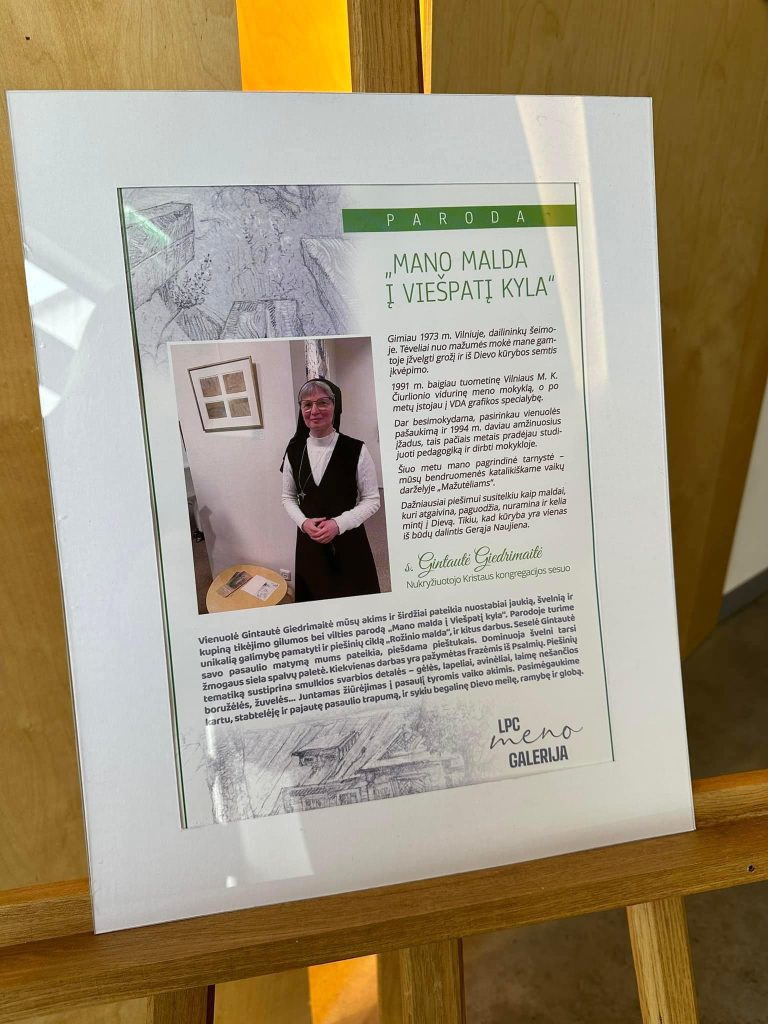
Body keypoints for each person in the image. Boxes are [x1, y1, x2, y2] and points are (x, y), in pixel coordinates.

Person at [281, 378, 381, 602]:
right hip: (309, 541)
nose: (314, 410)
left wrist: (338, 524)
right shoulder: (293, 451)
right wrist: (303, 523)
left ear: (336, 406)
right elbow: (288, 497)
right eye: (307, 404)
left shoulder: (356, 449)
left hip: (348, 540)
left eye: (323, 402)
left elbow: (372, 500)